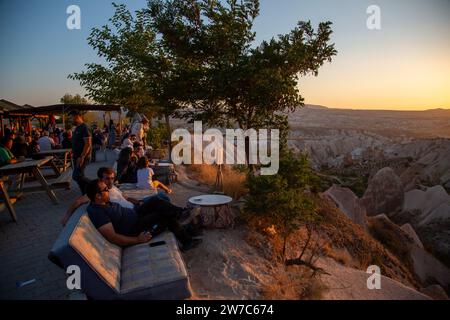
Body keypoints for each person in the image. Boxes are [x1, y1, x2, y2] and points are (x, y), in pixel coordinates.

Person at [84, 179, 201, 250]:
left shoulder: (103, 201)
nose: (108, 190)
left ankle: (181, 214)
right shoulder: (97, 212)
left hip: (136, 214)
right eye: (105, 189)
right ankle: (187, 241)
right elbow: (113, 237)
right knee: (165, 217)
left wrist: (137, 203)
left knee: (156, 200)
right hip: (135, 228)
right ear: (98, 196)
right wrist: (138, 240)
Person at [60, 167, 170, 226]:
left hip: (136, 205)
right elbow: (78, 201)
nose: (110, 181)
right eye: (107, 178)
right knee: (160, 198)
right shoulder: (100, 193)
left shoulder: (113, 187)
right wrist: (66, 216)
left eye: (112, 178)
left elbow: (125, 197)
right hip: (133, 213)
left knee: (161, 196)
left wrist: (137, 201)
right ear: (100, 179)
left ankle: (180, 214)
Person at [69, 110, 92, 194]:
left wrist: (82, 156)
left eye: (71, 118)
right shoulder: (77, 128)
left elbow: (88, 144)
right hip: (77, 156)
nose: (70, 120)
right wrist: (73, 150)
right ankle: (85, 192)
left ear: (77, 116)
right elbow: (77, 142)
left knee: (77, 176)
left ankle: (95, 186)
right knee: (79, 176)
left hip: (82, 156)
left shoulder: (84, 127)